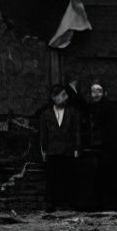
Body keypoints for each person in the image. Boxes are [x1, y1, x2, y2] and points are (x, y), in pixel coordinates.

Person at [37, 83, 82, 211]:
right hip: (52, 150)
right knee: (52, 178)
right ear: (54, 97)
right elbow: (43, 133)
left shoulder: (73, 113)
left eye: (66, 94)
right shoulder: (46, 114)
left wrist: (77, 148)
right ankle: (52, 203)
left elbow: (76, 132)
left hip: (68, 150)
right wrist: (43, 150)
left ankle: (68, 202)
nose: (66, 97)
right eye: (63, 95)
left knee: (68, 177)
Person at [86, 81, 117, 210]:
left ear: (104, 93)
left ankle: (116, 202)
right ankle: (104, 202)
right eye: (93, 91)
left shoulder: (113, 106)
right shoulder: (91, 108)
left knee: (115, 173)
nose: (96, 94)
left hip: (113, 145)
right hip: (100, 146)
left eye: (99, 91)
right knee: (101, 174)